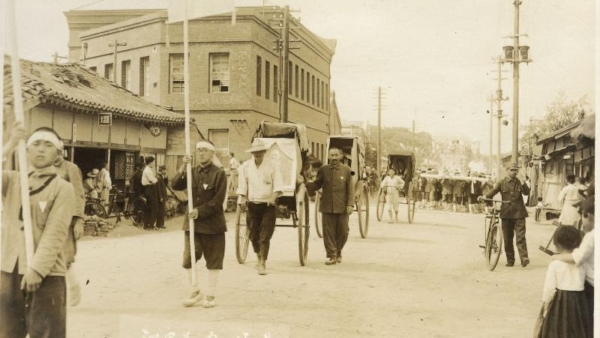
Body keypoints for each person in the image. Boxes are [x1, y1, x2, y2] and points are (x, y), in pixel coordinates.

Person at [1, 124, 75, 338]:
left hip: (47, 274)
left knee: (46, 333)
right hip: (9, 269)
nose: (41, 149)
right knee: (7, 333)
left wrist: (37, 269)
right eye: (35, 144)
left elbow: (55, 233)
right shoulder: (12, 181)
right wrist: (10, 144)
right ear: (26, 150)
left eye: (48, 145)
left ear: (58, 154)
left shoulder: (63, 188)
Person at [172, 140, 227, 308]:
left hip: (212, 224)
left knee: (214, 260)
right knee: (188, 258)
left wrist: (200, 211)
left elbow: (218, 200)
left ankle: (210, 294)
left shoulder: (219, 174)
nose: (201, 153)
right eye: (199, 150)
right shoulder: (191, 171)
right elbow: (175, 185)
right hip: (192, 224)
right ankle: (195, 290)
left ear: (212, 154)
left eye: (205, 150)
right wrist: (183, 166)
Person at [534, 225, 591, 338]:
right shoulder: (582, 263)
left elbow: (549, 289)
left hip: (560, 303)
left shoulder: (555, 263)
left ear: (557, 244)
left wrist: (546, 306)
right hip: (579, 301)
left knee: (556, 331)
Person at [236, 139, 283, 275]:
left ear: (264, 152)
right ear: (252, 153)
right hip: (252, 205)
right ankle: (258, 255)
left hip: (267, 205)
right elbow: (242, 185)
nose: (257, 155)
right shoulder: (245, 166)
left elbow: (278, 185)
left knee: (265, 235)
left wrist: (272, 197)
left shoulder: (272, 166)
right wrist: (244, 197)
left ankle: (263, 262)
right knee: (253, 234)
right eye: (255, 153)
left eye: (260, 152)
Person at [552, 194, 594, 333]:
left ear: (590, 216)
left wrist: (557, 257)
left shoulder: (591, 236)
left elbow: (577, 258)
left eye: (583, 216)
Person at [306, 147, 354, 265]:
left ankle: (338, 251)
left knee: (344, 232)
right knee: (328, 232)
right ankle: (332, 256)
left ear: (341, 156)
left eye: (336, 155)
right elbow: (317, 184)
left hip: (342, 206)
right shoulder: (323, 170)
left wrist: (350, 204)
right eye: (332, 155)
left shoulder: (346, 170)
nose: (334, 158)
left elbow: (350, 189)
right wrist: (307, 185)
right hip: (327, 206)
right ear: (328, 156)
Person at [54, 138, 86, 307]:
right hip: (44, 220)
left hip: (65, 220)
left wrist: (79, 220)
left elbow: (79, 194)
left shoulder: (70, 168)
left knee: (65, 257)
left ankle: (73, 287)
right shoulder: (38, 169)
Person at [479, 163, 531, 267]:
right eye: (512, 170)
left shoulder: (519, 182)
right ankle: (510, 260)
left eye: (516, 170)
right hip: (506, 214)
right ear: (507, 170)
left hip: (519, 213)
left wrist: (523, 182)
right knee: (508, 239)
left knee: (520, 237)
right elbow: (493, 191)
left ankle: (524, 258)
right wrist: (484, 196)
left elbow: (526, 193)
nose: (514, 172)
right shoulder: (502, 183)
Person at [141, 156, 159, 230]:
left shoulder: (147, 170)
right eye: (153, 162)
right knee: (153, 207)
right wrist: (157, 179)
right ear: (150, 162)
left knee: (149, 207)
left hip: (149, 188)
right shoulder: (147, 170)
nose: (154, 164)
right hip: (149, 189)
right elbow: (153, 180)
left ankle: (148, 224)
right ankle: (149, 225)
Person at [155, 165, 168, 229]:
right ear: (162, 170)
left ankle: (161, 224)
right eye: (164, 170)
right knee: (160, 210)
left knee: (162, 210)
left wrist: (166, 177)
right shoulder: (158, 177)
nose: (165, 171)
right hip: (161, 196)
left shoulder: (161, 177)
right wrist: (160, 197)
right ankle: (159, 224)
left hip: (162, 196)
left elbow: (165, 185)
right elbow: (158, 188)